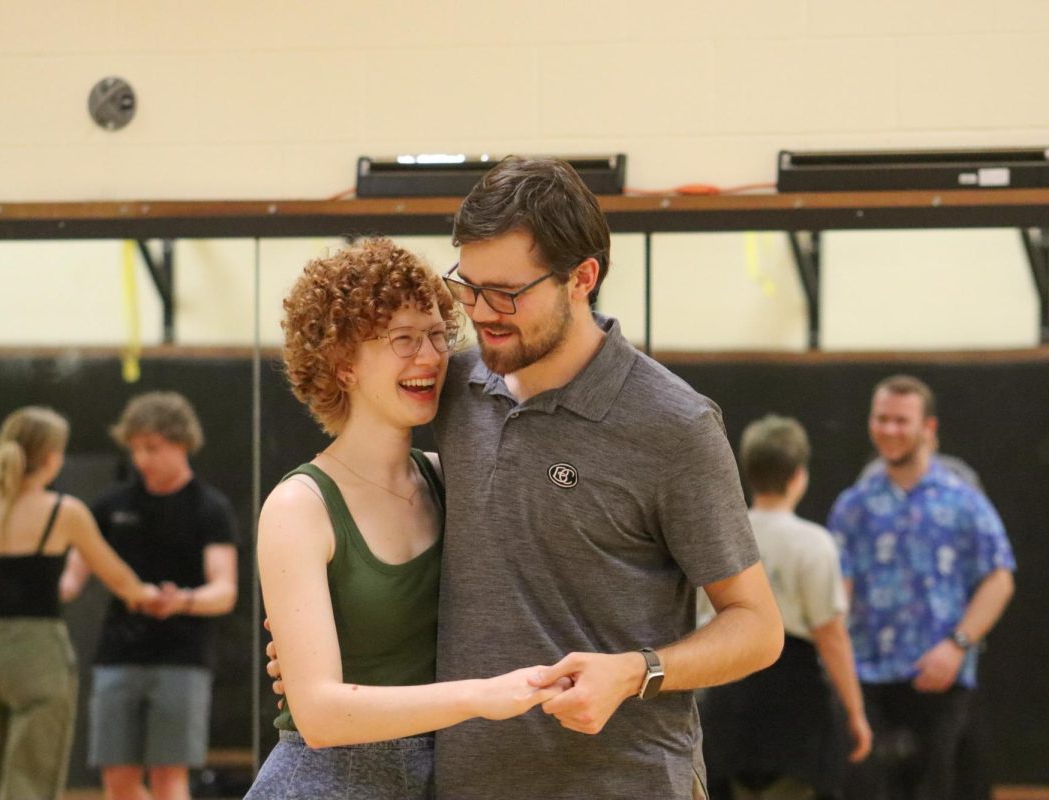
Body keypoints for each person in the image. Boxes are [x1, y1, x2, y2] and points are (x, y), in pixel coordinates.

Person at [269, 157, 784, 798]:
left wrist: (636, 672)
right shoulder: (452, 387)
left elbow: (758, 627)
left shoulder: (673, 425)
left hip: (627, 781)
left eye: (508, 293)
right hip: (469, 784)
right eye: (469, 286)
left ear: (582, 278)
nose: (482, 313)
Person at [247, 238, 567, 800]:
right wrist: (477, 698)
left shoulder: (452, 479)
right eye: (403, 340)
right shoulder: (299, 506)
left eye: (438, 335)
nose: (430, 357)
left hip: (440, 778)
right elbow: (319, 714)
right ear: (342, 364)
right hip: (322, 784)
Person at [828, 375, 1016, 800]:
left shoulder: (963, 500)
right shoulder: (853, 505)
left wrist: (958, 643)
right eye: (881, 419)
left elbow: (999, 578)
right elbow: (837, 593)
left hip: (940, 681)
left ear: (928, 428)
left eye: (901, 420)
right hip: (867, 682)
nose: (889, 430)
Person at [0, 406, 157, 800]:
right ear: (51, 457)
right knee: (30, 783)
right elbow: (117, 576)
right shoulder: (63, 511)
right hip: (37, 653)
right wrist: (149, 596)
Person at [61, 391, 239, 800]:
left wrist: (183, 601)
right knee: (118, 783)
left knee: (168, 781)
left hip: (181, 659)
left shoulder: (210, 509)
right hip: (118, 657)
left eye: (152, 448)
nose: (142, 459)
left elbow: (224, 591)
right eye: (135, 448)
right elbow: (70, 580)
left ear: (182, 442)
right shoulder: (109, 505)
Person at [698, 414, 872, 800]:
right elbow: (831, 636)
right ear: (799, 476)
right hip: (794, 699)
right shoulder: (814, 543)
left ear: (748, 471)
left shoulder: (719, 532)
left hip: (725, 687)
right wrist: (855, 713)